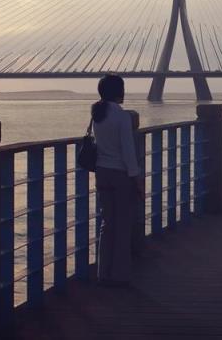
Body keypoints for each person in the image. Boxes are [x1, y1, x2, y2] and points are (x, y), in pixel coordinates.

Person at [91, 74, 142, 285]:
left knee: (107, 223)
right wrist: (136, 177)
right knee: (123, 225)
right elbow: (128, 150)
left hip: (102, 172)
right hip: (120, 174)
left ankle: (103, 272)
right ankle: (120, 274)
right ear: (118, 91)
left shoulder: (97, 114)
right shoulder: (122, 117)